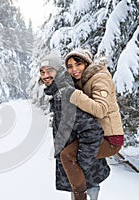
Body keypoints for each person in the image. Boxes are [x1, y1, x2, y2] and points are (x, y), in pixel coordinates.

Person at [39, 51, 110, 200]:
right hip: (82, 171)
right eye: (42, 71)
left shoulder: (66, 94)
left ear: (59, 71)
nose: (45, 75)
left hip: (85, 172)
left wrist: (80, 163)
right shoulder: (59, 93)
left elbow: (92, 130)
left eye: (49, 70)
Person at [56, 48, 124, 199]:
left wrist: (74, 95)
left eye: (78, 64)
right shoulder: (85, 81)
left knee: (68, 156)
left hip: (110, 138)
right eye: (70, 66)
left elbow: (100, 110)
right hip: (96, 135)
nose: (74, 69)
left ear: (87, 63)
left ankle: (80, 196)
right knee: (78, 160)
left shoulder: (100, 78)